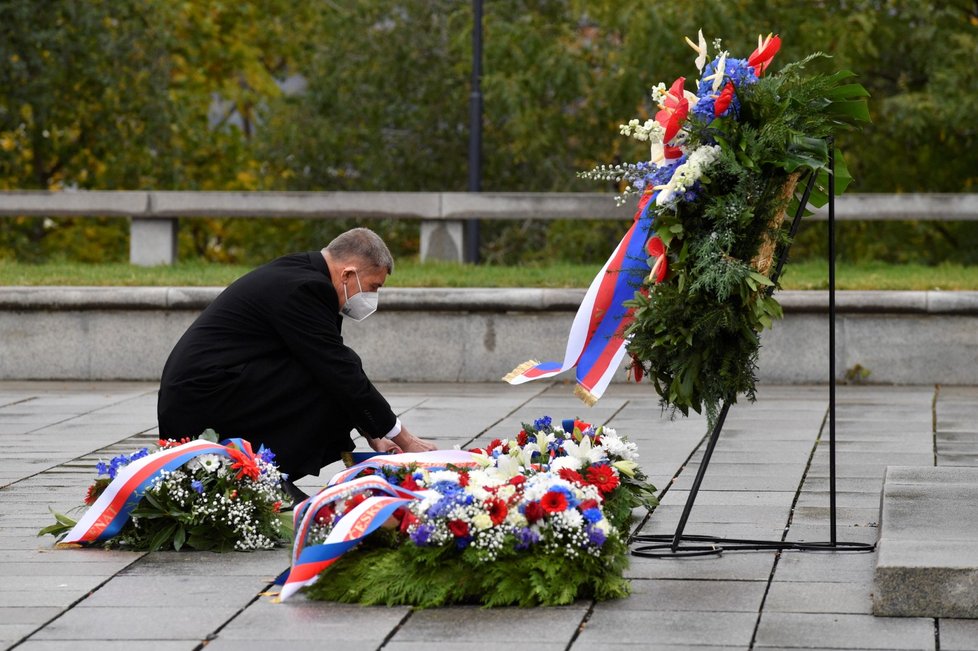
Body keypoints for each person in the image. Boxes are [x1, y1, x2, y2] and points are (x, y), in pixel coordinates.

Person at [157, 228, 436, 500]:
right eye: (374, 287)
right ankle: (263, 476)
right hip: (201, 406)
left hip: (215, 392)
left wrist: (374, 436)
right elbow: (337, 371)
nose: (372, 297)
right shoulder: (305, 287)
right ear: (348, 274)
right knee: (336, 375)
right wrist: (405, 440)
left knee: (336, 372)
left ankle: (266, 476)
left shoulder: (306, 275)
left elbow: (331, 364)